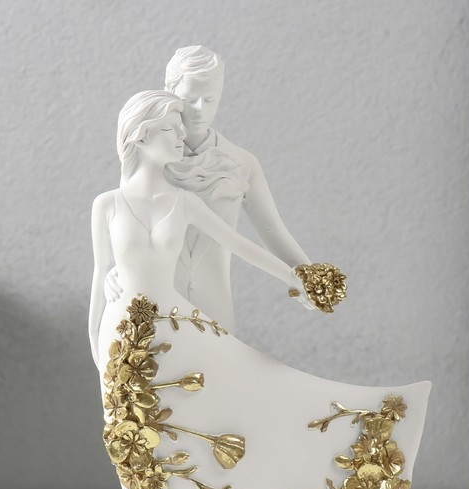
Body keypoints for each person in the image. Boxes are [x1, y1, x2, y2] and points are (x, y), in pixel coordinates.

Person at [89, 90, 429, 489]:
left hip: (179, 340)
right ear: (140, 137)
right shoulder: (107, 205)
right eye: (170, 130)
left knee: (205, 451)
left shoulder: (183, 202)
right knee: (144, 477)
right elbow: (100, 280)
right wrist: (98, 355)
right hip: (121, 348)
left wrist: (300, 278)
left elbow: (243, 247)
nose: (181, 137)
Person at [103, 45, 312, 331]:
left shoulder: (242, 164)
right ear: (169, 92)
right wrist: (111, 271)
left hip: (214, 306)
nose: (200, 109)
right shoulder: (149, 160)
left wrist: (310, 277)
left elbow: (271, 229)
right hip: (154, 310)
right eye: (189, 100)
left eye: (210, 99)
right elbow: (126, 224)